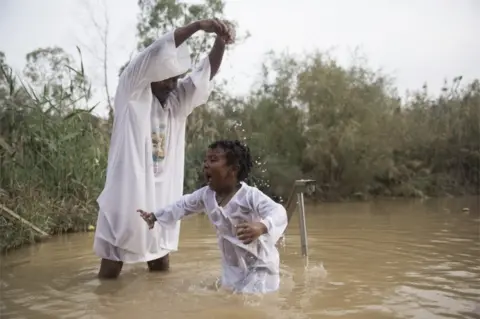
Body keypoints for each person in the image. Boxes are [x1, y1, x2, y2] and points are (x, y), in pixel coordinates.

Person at [94, 19, 235, 279]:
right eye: (165, 79)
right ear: (152, 75)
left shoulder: (176, 102)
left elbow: (205, 73)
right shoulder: (132, 90)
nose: (171, 85)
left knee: (160, 263)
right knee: (112, 265)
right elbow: (156, 51)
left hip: (162, 197)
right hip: (127, 195)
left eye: (175, 79)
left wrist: (220, 42)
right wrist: (198, 27)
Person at [138, 140, 288, 294]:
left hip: (261, 266)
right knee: (228, 299)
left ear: (233, 169)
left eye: (213, 160)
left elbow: (279, 211)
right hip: (232, 268)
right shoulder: (206, 195)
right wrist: (155, 216)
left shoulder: (250, 196)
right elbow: (182, 205)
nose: (206, 165)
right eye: (206, 160)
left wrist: (261, 226)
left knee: (248, 304)